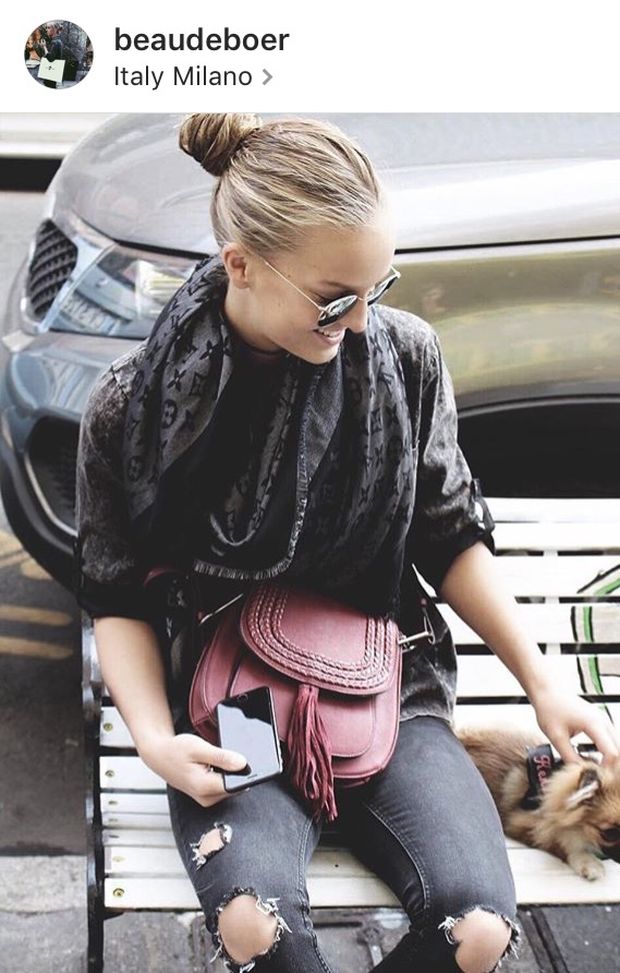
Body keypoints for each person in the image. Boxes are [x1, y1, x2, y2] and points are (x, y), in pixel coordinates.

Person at [74, 113, 620, 973]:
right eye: (335, 298)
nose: (362, 321)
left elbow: (449, 533)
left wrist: (544, 684)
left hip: (392, 683)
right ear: (241, 265)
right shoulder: (133, 406)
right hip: (235, 702)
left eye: (378, 287)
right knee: (255, 923)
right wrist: (154, 737)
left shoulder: (406, 358)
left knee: (477, 928)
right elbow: (116, 593)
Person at [41, 22, 63, 88]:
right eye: (46, 28)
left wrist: (44, 46)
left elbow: (50, 58)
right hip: (53, 73)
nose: (46, 30)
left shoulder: (55, 42)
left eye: (48, 28)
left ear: (55, 29)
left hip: (50, 75)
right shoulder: (58, 41)